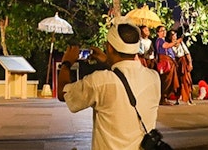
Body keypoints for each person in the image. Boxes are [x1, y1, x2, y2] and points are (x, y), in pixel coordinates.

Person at [57, 17, 161, 150]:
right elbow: (126, 73)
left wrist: (66, 63)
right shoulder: (154, 78)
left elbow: (63, 93)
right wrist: (107, 60)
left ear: (110, 48)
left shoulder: (99, 81)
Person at [154, 26, 178, 104]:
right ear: (158, 33)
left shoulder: (163, 40)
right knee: (166, 80)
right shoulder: (159, 40)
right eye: (161, 31)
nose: (164, 32)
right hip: (165, 61)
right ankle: (163, 98)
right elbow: (166, 46)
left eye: (165, 30)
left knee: (169, 80)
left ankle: (165, 97)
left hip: (169, 61)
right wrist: (175, 43)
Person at [173, 28, 194, 105]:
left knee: (186, 80)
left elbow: (187, 53)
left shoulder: (181, 43)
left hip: (183, 62)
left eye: (174, 34)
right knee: (176, 81)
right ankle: (177, 99)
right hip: (175, 63)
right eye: (172, 35)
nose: (174, 36)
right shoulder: (169, 44)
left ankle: (189, 99)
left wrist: (190, 63)